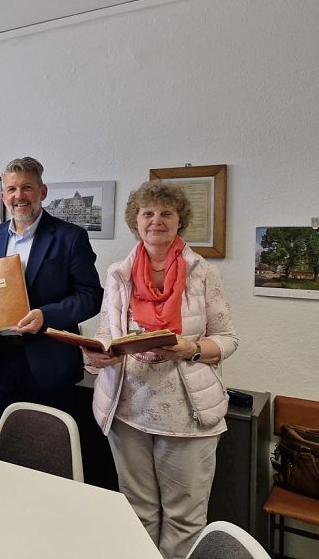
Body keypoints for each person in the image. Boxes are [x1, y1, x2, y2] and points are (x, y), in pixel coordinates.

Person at [83, 180, 238, 559]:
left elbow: (227, 339)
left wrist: (191, 349)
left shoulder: (202, 272)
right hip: (127, 410)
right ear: (135, 221)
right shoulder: (118, 273)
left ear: (179, 220)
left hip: (187, 416)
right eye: (147, 213)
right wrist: (100, 353)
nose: (156, 220)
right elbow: (107, 331)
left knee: (184, 519)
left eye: (166, 213)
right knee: (136, 511)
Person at [0, 157, 103, 428]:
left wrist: (45, 316)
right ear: (3, 196)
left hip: (49, 363)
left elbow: (91, 296)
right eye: (12, 189)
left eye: (27, 187)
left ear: (42, 191)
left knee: (48, 445)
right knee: (2, 441)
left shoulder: (70, 237)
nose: (19, 196)